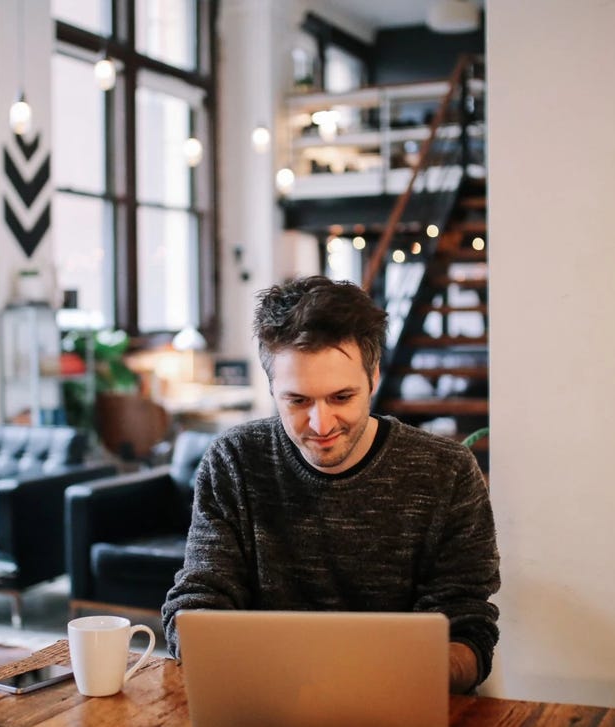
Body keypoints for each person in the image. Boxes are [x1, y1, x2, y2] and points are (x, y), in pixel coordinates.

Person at [160, 275, 500, 693]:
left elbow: (466, 626)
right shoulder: (234, 460)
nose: (321, 425)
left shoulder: (446, 471)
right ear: (271, 388)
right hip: (265, 702)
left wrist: (407, 675)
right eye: (298, 400)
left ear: (373, 378)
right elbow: (198, 601)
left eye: (341, 397)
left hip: (400, 705)